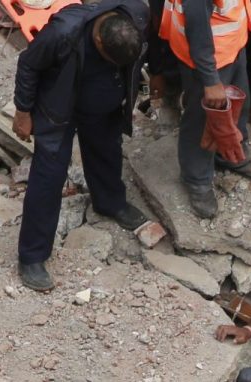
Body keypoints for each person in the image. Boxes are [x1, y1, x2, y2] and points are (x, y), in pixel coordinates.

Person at [12, 0, 151, 292]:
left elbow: (151, 52)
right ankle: (32, 256)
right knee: (48, 176)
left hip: (102, 106)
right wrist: (23, 111)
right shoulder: (64, 32)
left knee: (107, 152)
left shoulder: (136, 15)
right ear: (98, 38)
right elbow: (28, 64)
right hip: (58, 108)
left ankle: (110, 203)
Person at [158, 0, 251, 219]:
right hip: (207, 58)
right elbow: (197, 28)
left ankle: (229, 153)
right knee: (201, 120)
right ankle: (196, 179)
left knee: (238, 105)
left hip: (231, 45)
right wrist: (210, 81)